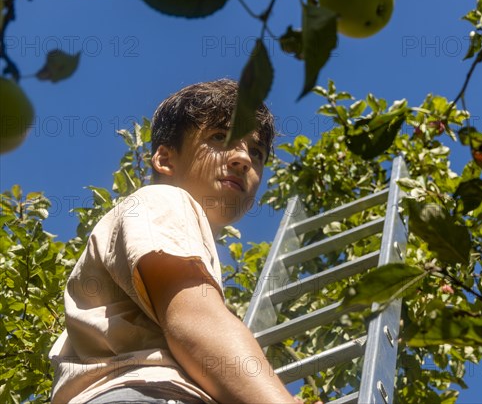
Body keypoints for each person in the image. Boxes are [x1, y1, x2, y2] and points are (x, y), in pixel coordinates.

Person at [49, 79, 302, 404]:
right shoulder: (164, 200)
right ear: (165, 160)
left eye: (256, 152)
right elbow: (195, 322)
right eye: (220, 137)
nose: (243, 159)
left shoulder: (166, 223)